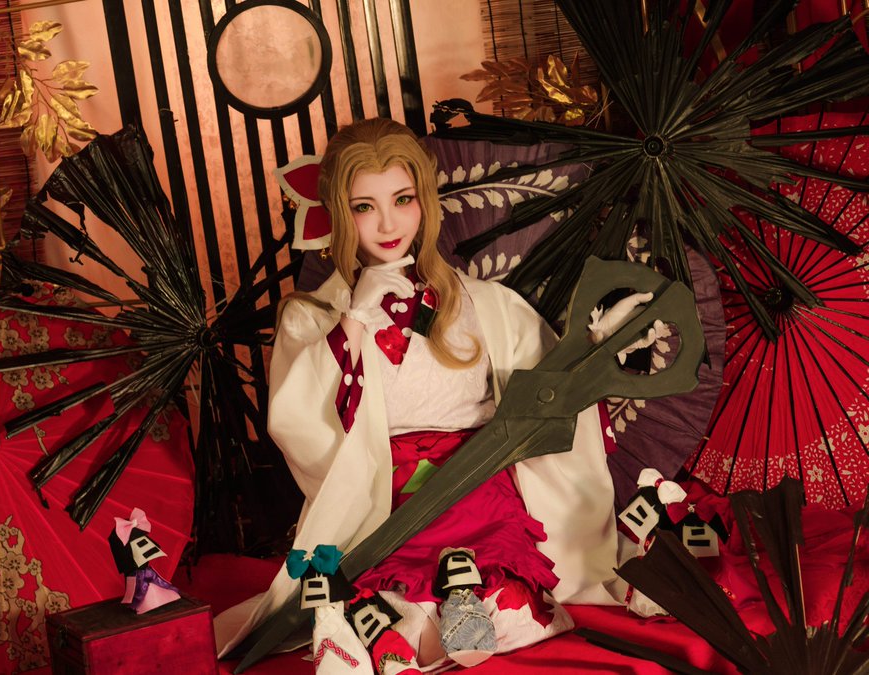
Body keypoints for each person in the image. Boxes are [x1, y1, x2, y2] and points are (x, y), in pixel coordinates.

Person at [214, 118, 637, 668]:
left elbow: (548, 391)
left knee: (507, 600)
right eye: (364, 206)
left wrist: (599, 346)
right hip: (383, 495)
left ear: (425, 200)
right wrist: (353, 323)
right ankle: (403, 633)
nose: (388, 223)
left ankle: (436, 628)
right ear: (338, 213)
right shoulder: (313, 318)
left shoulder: (484, 301)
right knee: (397, 596)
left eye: (403, 199)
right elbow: (300, 426)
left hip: (479, 479)